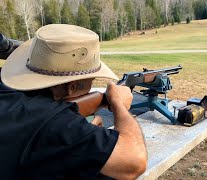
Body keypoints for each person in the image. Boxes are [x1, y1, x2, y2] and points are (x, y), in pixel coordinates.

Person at [0, 24, 147, 179]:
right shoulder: (59, 124)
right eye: (92, 80)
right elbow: (134, 163)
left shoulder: (5, 89)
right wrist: (119, 104)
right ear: (73, 87)